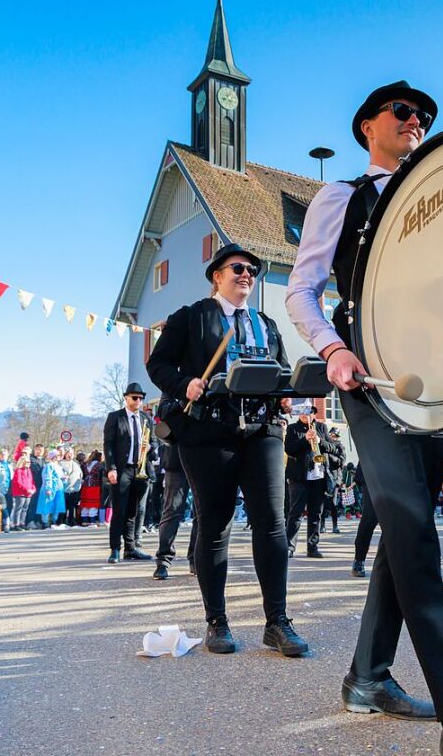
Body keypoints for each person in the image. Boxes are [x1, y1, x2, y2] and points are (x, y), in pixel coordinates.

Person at [286, 82, 443, 754]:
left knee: (407, 528)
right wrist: (333, 348)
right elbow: (302, 288)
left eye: (426, 116)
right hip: (372, 378)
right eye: (404, 113)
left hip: (436, 381)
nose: (418, 121)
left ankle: (367, 677)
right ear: (367, 126)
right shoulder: (343, 195)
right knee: (410, 528)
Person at [147, 242, 308, 657]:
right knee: (214, 524)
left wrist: (287, 394)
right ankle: (217, 622)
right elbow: (158, 365)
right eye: (237, 268)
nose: (247, 274)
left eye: (252, 270)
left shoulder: (265, 323)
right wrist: (185, 384)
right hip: (208, 432)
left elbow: (282, 369)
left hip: (262, 430)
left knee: (272, 523)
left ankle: (277, 622)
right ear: (216, 276)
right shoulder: (191, 318)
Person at [102, 383, 156, 563]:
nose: (138, 401)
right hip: (122, 469)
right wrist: (111, 468)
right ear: (126, 398)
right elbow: (108, 444)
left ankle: (131, 548)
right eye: (134, 398)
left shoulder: (146, 418)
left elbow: (154, 442)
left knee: (134, 511)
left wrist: (150, 448)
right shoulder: (115, 417)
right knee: (119, 510)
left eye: (140, 398)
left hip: (140, 469)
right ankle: (115, 549)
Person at [284, 406, 333, 558]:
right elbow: (289, 449)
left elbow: (332, 447)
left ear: (313, 414)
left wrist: (319, 440)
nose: (306, 415)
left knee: (315, 514)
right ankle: (289, 547)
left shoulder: (322, 427)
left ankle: (312, 547)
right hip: (298, 478)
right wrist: (305, 439)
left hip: (318, 477)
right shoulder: (293, 429)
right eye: (303, 413)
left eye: (309, 413)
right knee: (295, 514)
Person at [152, 438, 197, 579]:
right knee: (172, 510)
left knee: (202, 514)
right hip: (176, 456)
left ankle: (196, 559)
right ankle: (163, 561)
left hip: (204, 455)